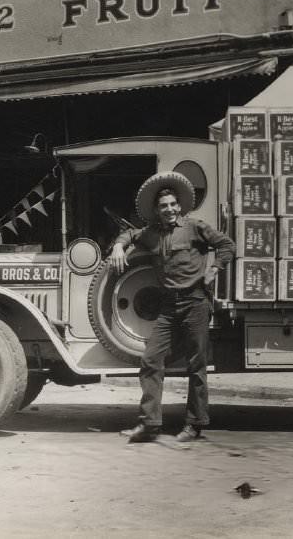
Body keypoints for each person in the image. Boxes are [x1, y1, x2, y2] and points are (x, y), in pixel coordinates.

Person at [110, 171, 235, 443]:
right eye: (163, 206)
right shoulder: (151, 233)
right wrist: (118, 247)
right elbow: (129, 233)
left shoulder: (194, 227)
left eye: (172, 205)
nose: (168, 210)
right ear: (156, 210)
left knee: (196, 365)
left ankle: (194, 424)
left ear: (180, 207)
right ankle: (149, 424)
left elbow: (226, 245)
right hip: (168, 307)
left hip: (196, 303)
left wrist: (215, 267)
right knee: (151, 359)